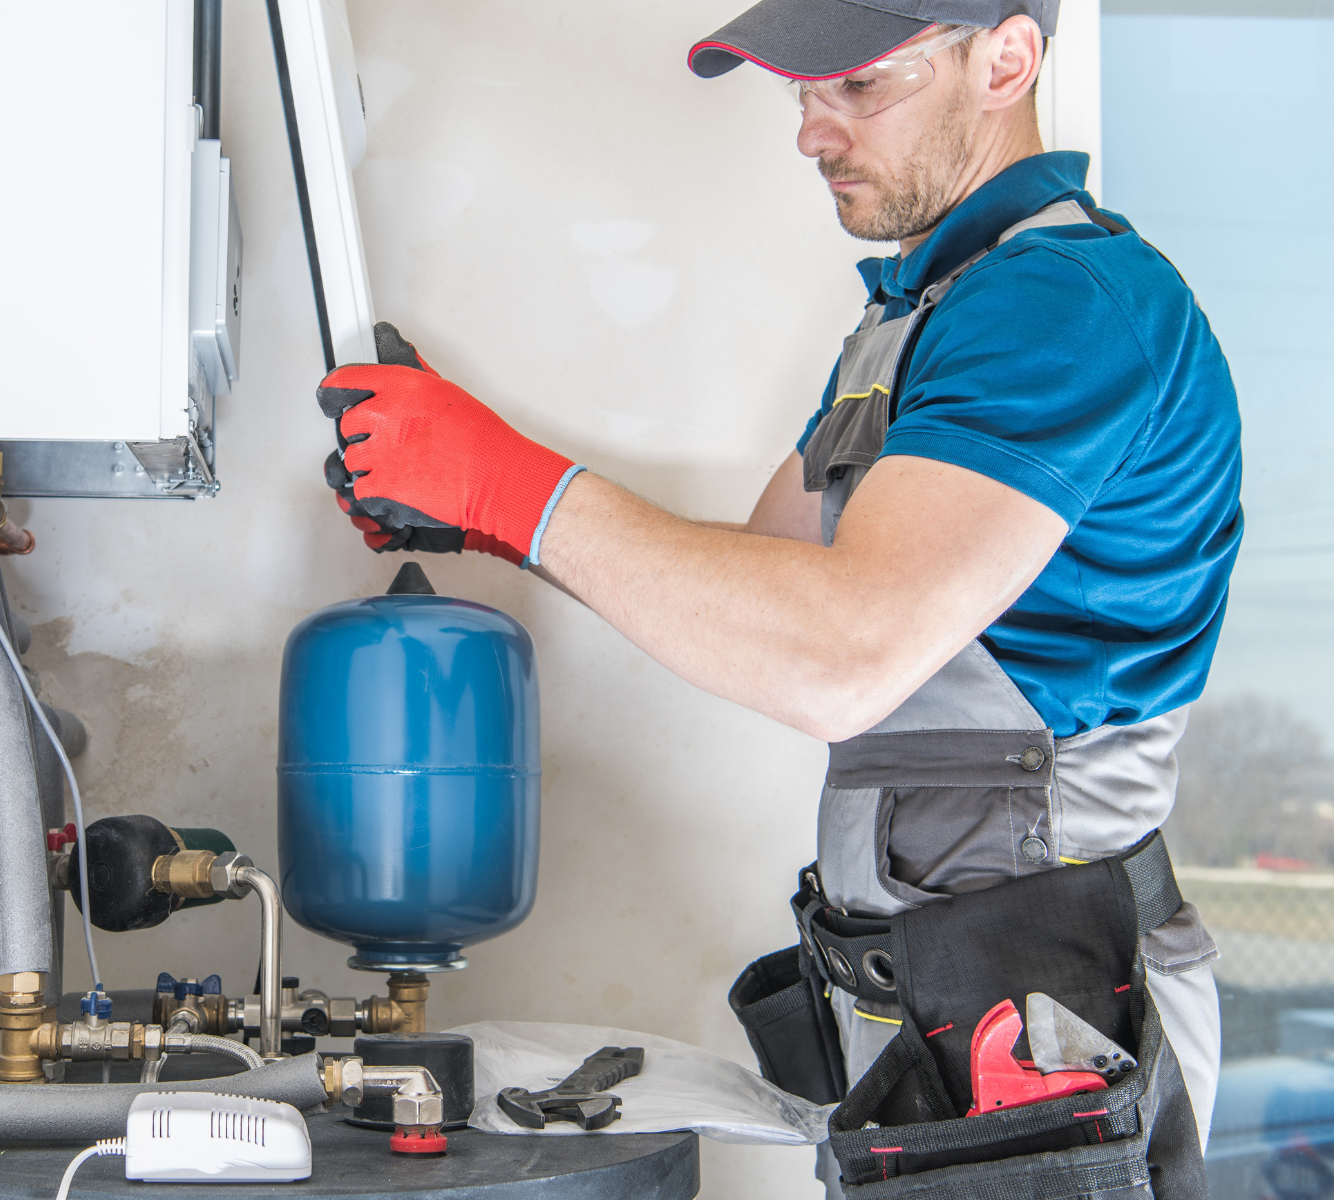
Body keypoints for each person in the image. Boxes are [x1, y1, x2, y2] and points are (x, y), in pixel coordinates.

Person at [317, 1, 1241, 1193]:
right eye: (799, 92)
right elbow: (759, 593)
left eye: (858, 87)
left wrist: (518, 483)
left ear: (1005, 58)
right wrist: (493, 523)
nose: (811, 132)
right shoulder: (920, 316)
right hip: (946, 985)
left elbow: (838, 654)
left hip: (1049, 1005)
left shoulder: (1061, 302)